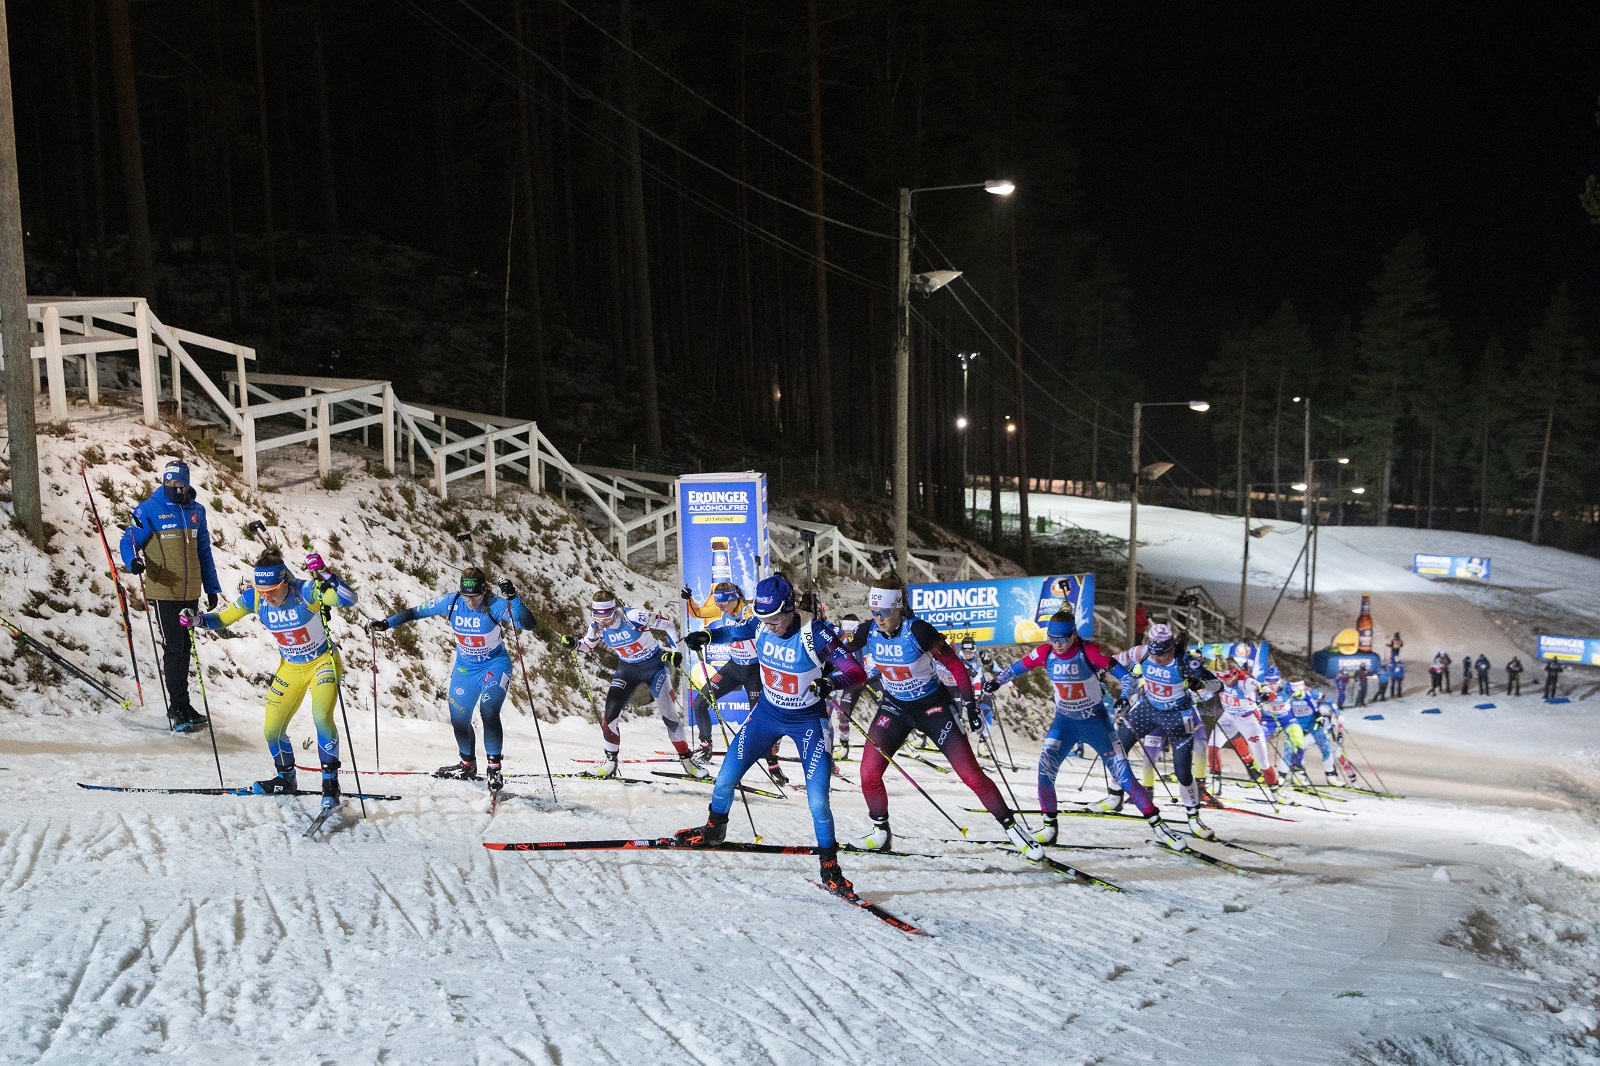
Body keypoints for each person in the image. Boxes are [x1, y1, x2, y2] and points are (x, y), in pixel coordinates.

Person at [678, 574, 867, 895]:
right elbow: (734, 631)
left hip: (807, 720)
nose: (771, 625)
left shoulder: (814, 632)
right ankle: (714, 829)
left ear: (791, 609)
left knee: (818, 801)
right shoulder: (762, 624)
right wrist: (707, 637)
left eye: (777, 618)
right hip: (766, 715)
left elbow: (854, 670)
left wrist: (831, 682)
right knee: (724, 779)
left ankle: (830, 867)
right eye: (765, 619)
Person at [842, 575, 1043, 859]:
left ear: (898, 607)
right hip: (895, 707)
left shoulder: (919, 630)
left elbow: (956, 666)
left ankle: (1014, 830)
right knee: (868, 772)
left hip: (932, 708)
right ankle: (880, 832)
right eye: (874, 612)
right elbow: (836, 653)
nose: (879, 618)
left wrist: (971, 706)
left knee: (970, 774)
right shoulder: (868, 631)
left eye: (884, 612)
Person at [183, 549, 356, 811]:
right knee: (272, 731)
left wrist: (328, 574)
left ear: (284, 580)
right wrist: (197, 619)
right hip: (291, 668)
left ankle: (330, 785)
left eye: (272, 589)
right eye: (262, 590)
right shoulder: (256, 599)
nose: (267, 596)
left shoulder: (306, 592)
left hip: (323, 663)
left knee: (321, 717)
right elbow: (222, 619)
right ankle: (286, 779)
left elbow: (349, 598)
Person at [368, 567, 535, 791]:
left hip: (494, 666)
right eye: (467, 596)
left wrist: (514, 598)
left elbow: (528, 623)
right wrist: (386, 623)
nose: (471, 602)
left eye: (475, 596)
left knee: (488, 710)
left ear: (484, 591)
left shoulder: (494, 605)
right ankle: (467, 764)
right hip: (465, 669)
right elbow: (416, 612)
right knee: (459, 718)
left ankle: (494, 768)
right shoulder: (452, 601)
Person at [986, 611, 1136, 842]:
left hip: (1094, 716)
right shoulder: (1046, 651)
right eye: (1052, 638)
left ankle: (1123, 800)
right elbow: (1018, 667)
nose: (1057, 644)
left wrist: (1123, 695)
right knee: (1045, 766)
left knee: (1119, 767)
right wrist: (998, 681)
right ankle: (1049, 828)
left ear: (1074, 634)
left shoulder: (1090, 650)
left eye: (1062, 639)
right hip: (1065, 719)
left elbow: (1124, 673)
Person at [118, 459, 223, 733]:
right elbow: (129, 540)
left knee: (186, 648)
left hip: (190, 591)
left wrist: (211, 587)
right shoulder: (149, 509)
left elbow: (204, 552)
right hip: (165, 590)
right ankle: (176, 707)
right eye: (170, 483)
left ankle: (184, 704)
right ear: (163, 482)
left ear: (187, 484)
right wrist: (133, 562)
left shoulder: (196, 511)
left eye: (179, 484)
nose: (175, 488)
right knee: (174, 648)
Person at [1113, 623, 1222, 850]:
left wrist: (1199, 683)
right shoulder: (1143, 652)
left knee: (1183, 771)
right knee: (1115, 747)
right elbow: (1114, 661)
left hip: (1178, 716)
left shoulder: (1186, 662)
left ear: (1171, 647)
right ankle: (1114, 796)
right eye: (1153, 653)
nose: (1157, 658)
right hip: (1148, 708)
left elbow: (1217, 686)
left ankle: (1193, 818)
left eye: (1162, 654)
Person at [568, 590, 697, 780]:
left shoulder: (634, 616)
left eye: (608, 617)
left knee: (669, 716)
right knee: (610, 714)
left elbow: (668, 625)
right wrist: (574, 645)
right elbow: (587, 645)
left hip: (653, 667)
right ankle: (610, 763)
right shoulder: (596, 626)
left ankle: (687, 761)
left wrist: (676, 651)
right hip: (627, 669)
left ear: (615, 610)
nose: (604, 622)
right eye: (598, 617)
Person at [682, 581, 762, 767]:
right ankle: (705, 744)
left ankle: (772, 759)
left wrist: (710, 636)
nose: (721, 609)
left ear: (735, 598)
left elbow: (739, 631)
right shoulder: (723, 609)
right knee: (699, 702)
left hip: (753, 670)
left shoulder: (750, 612)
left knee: (758, 718)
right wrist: (689, 600)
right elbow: (699, 613)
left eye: (724, 604)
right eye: (718, 605)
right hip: (733, 667)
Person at [1204, 647, 1281, 800]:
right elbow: (1203, 666)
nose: (1225, 682)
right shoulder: (1220, 674)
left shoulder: (1246, 682)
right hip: (1228, 717)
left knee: (1263, 762)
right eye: (1222, 678)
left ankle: (1275, 791)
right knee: (1212, 746)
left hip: (1248, 721)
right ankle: (1216, 785)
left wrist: (1267, 695)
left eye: (1228, 679)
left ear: (1235, 674)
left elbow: (1264, 690)